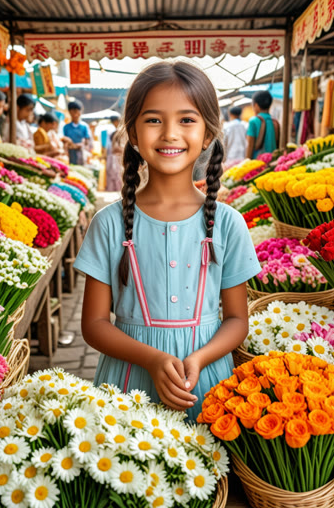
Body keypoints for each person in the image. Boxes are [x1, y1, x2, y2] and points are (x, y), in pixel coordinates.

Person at [75, 61, 260, 420]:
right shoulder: (109, 223)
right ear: (132, 132)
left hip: (205, 384)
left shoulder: (228, 224)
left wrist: (200, 358)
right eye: (154, 120)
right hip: (127, 387)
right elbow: (94, 324)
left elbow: (237, 319)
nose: (170, 133)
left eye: (187, 120)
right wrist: (152, 358)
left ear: (207, 135)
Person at [246, 90, 280, 159]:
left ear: (256, 105)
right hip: (272, 161)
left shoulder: (253, 121)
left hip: (257, 162)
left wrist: (247, 161)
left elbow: (250, 145)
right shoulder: (275, 121)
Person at [63, 100, 91, 165]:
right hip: (70, 155)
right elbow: (65, 141)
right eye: (73, 112)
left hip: (82, 154)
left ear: (81, 112)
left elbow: (87, 141)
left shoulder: (84, 126)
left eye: (77, 111)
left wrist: (81, 145)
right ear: (69, 112)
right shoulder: (66, 127)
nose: (75, 114)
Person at [105, 116, 123, 191]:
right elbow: (113, 148)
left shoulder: (118, 132)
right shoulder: (115, 132)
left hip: (118, 156)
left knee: (117, 173)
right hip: (115, 156)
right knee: (115, 173)